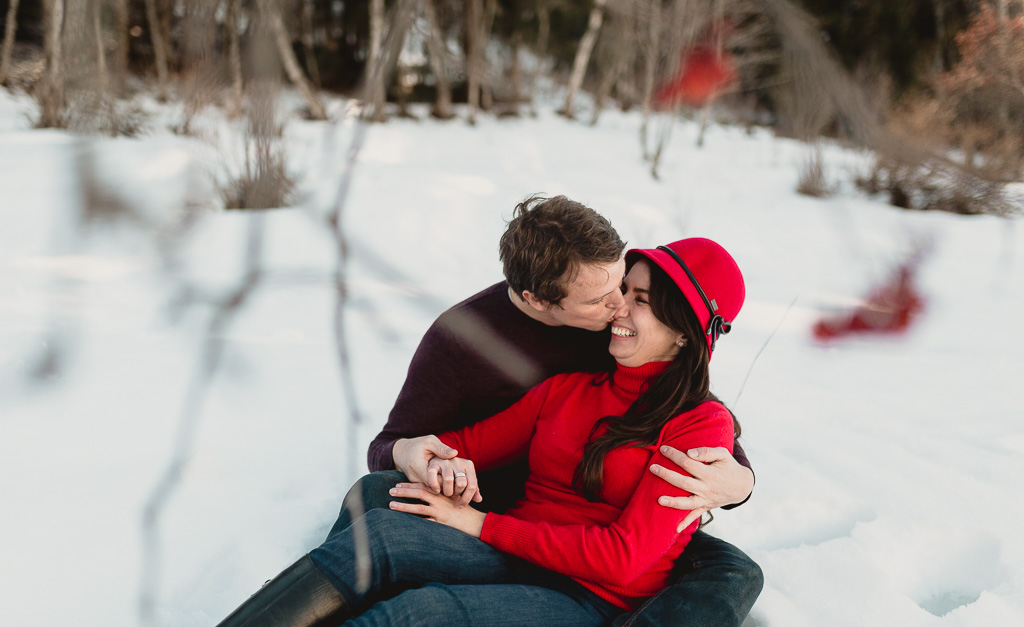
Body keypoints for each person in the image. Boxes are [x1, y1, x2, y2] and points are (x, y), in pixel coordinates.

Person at [216, 197, 762, 626]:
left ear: (686, 333)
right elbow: (439, 443)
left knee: (732, 571)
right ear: (537, 298)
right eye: (613, 297)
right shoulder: (517, 363)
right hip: (515, 524)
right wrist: (424, 458)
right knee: (379, 518)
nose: (618, 305)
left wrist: (740, 481)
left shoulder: (683, 404)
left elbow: (632, 546)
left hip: (594, 581)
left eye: (633, 293)